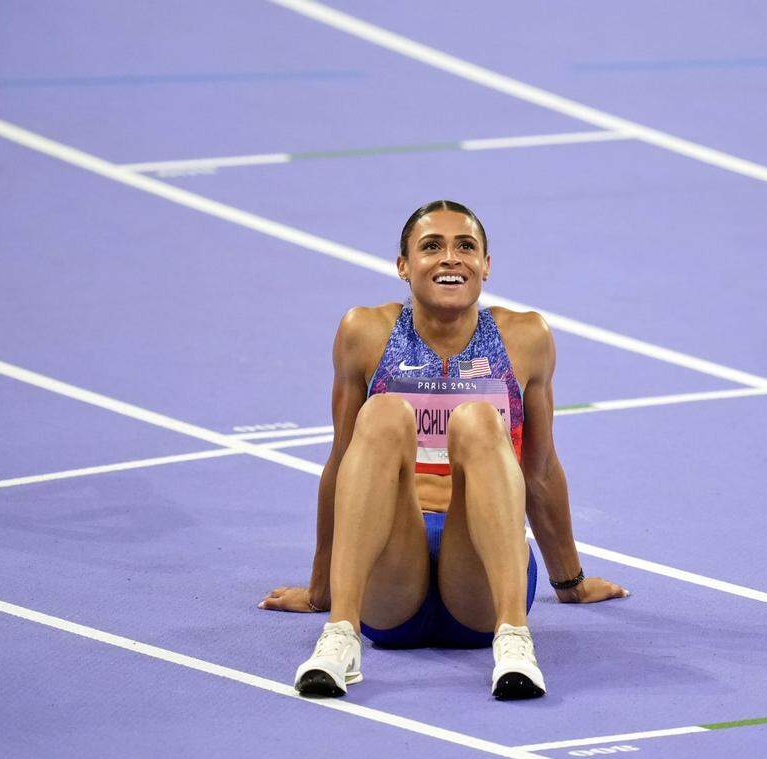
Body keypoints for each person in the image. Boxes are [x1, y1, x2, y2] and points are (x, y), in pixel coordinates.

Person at [259, 200, 627, 700]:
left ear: (486, 266)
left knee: (478, 420)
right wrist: (320, 589)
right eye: (431, 247)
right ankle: (339, 639)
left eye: (466, 247)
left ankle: (514, 642)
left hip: (480, 577)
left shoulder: (525, 337)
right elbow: (342, 466)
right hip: (391, 578)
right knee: (383, 414)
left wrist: (571, 582)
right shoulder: (365, 332)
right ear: (404, 267)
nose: (450, 258)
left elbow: (539, 472)